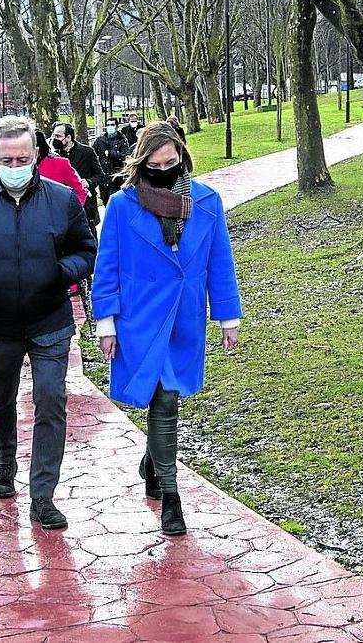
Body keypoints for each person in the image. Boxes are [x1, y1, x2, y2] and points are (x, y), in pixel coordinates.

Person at [0, 116, 97, 530]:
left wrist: (60, 271)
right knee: (1, 399)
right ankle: (4, 463)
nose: (15, 165)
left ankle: (43, 495)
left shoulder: (63, 199)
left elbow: (86, 248)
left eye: (23, 158)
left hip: (50, 320)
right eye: (7, 158)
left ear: (36, 155)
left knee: (51, 400)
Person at [90, 121, 242, 536]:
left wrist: (228, 318)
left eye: (170, 162)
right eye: (155, 165)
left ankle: (152, 462)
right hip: (139, 319)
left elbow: (220, 264)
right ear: (143, 164)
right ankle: (172, 499)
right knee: (164, 401)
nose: (164, 170)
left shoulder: (208, 202)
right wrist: (105, 323)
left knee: (167, 398)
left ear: (182, 158)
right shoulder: (123, 206)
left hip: (184, 318)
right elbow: (106, 268)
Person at [49, 122, 103, 231]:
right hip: (62, 205)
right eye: (53, 136)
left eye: (58, 136)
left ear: (68, 137)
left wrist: (88, 182)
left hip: (85, 204)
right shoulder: (53, 155)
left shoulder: (87, 152)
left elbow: (100, 175)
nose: (55, 139)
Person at [35, 130, 87, 206]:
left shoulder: (60, 164)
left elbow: (80, 191)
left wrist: (72, 214)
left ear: (37, 150)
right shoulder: (15, 168)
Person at [92, 120, 130, 206]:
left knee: (113, 201)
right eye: (108, 125)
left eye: (112, 125)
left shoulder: (122, 140)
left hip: (115, 176)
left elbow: (125, 156)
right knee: (105, 200)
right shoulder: (100, 140)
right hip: (103, 176)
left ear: (116, 126)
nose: (110, 127)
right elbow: (92, 153)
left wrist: (111, 153)